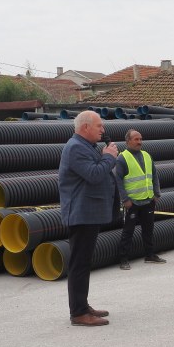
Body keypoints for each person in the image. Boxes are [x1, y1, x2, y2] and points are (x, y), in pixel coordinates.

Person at [58, 110, 119, 326]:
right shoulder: (75, 148)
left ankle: (82, 305)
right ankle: (78, 313)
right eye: (99, 126)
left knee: (83, 262)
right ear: (85, 127)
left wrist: (104, 156)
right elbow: (94, 174)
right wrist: (109, 157)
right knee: (79, 264)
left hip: (89, 213)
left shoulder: (86, 146)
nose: (103, 130)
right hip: (82, 214)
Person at [116, 129, 167, 269]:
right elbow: (118, 181)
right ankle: (124, 259)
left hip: (148, 201)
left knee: (148, 229)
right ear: (128, 141)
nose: (139, 142)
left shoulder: (146, 155)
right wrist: (125, 200)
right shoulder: (122, 158)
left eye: (140, 139)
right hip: (132, 203)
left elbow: (154, 175)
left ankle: (150, 255)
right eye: (136, 139)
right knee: (128, 231)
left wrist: (156, 194)